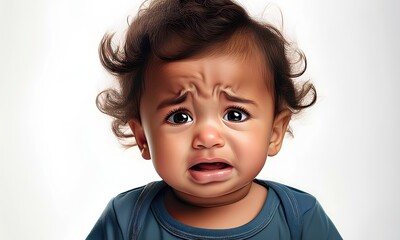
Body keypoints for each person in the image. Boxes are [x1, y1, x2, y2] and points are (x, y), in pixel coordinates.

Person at [87, 0, 342, 239]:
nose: (207, 138)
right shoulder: (126, 221)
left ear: (275, 133)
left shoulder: (299, 220)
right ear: (143, 138)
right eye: (179, 117)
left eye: (234, 114)